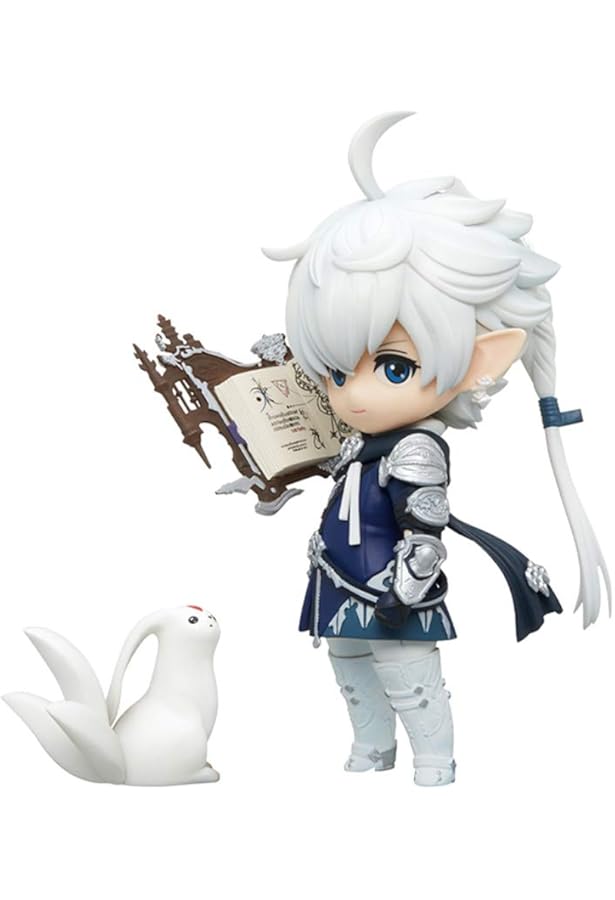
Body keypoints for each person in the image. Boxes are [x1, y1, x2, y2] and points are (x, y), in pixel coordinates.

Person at [263, 112, 610, 786]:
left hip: (388, 581)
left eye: (393, 366)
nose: (354, 393)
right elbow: (335, 472)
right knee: (348, 663)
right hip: (339, 571)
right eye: (336, 370)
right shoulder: (363, 440)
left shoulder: (417, 447)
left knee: (407, 673)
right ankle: (373, 748)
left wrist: (406, 586)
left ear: (480, 359)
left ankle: (432, 760)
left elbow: (425, 528)